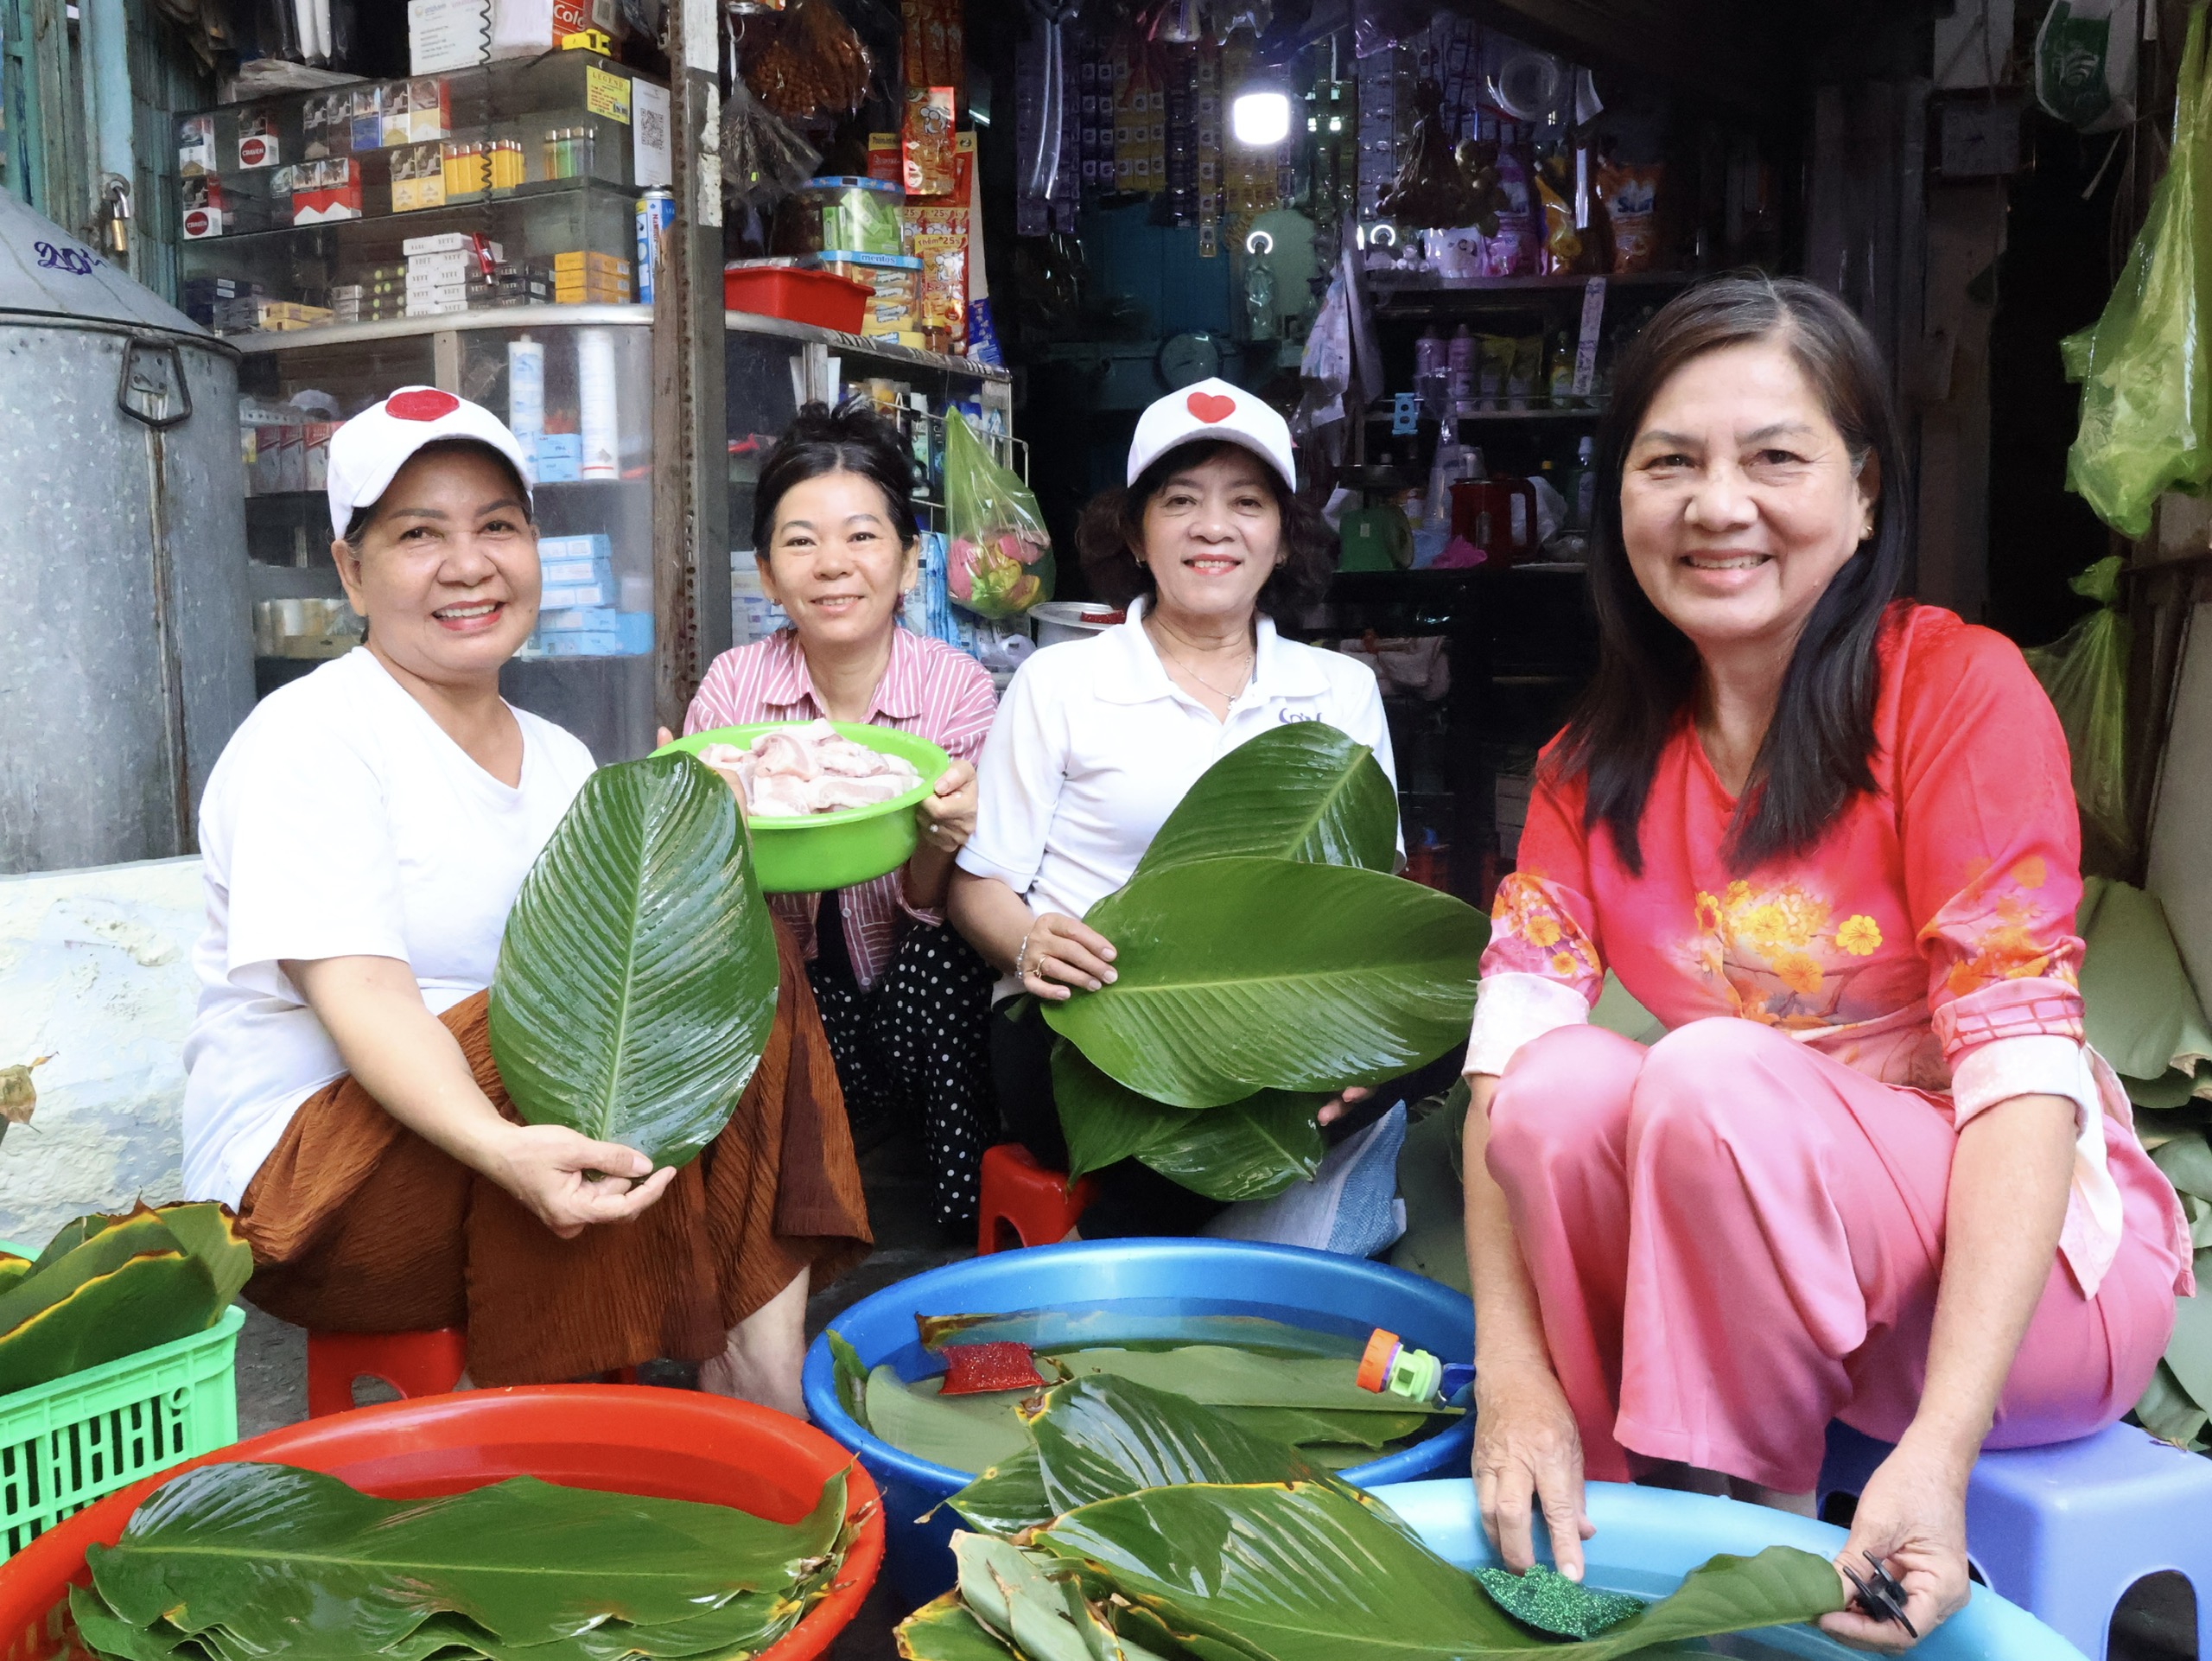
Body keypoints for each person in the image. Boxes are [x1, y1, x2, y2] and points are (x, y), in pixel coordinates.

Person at [1459, 277, 2191, 1649]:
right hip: (1763, 1291)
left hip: (2026, 1303)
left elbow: (2026, 1077)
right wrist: (1516, 1378)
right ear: (1617, 497)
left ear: (1861, 497)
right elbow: (1504, 1088)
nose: (1717, 504)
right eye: (1669, 460)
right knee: (1563, 1088)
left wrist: (1941, 1450)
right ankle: (1622, 1537)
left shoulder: (1956, 692)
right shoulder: (1588, 766)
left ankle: (1756, 1583)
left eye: (1774, 457)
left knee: (1715, 1073)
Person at [181, 388, 869, 1414]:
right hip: (316, 1184)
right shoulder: (311, 736)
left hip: (512, 1126)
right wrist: (508, 1147)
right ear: (350, 570)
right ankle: (582, 1418)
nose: (469, 564)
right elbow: (366, 995)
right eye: (420, 533)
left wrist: (705, 844)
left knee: (736, 946)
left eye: (498, 525)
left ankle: (757, 1375)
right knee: (586, 1036)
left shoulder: (557, 758)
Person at [949, 379, 1395, 1237]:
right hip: (1092, 1024)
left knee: (1459, 1012)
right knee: (1219, 1091)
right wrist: (1028, 938)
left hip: (1267, 1021)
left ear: (1282, 537)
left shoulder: (1340, 690)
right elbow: (977, 885)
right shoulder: (1062, 681)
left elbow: (1374, 892)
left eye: (1247, 502)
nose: (1213, 526)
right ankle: (1220, 1232)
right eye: (1180, 499)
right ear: (1135, 531)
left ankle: (1166, 1240)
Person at [682, 401, 998, 1232]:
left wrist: (939, 843)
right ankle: (763, 1240)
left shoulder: (954, 689)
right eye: (799, 541)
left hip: (907, 993)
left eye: (862, 536)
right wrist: (685, 819)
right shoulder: (733, 689)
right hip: (787, 998)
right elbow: (708, 898)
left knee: (947, 959)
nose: (833, 565)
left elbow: (935, 900)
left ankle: (959, 1227)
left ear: (909, 560)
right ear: (764, 573)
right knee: (738, 970)